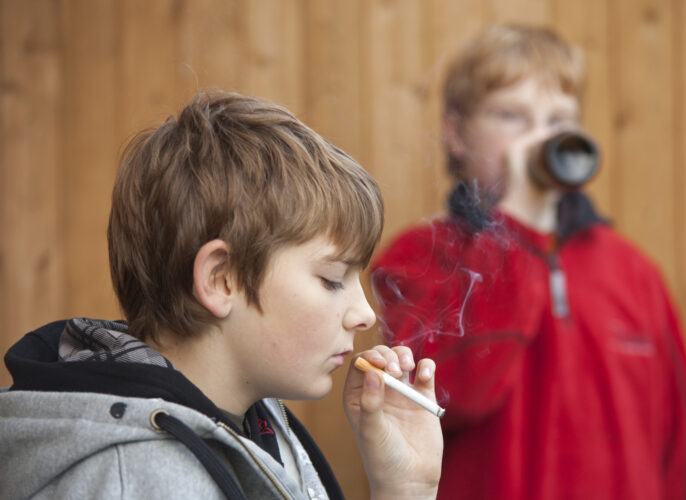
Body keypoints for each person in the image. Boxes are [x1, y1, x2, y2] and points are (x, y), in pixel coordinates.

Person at [0, 90, 442, 500]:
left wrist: (404, 488)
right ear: (221, 280)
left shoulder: (263, 425)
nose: (364, 314)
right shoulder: (139, 480)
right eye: (331, 279)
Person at [370, 24, 686, 500]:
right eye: (512, 116)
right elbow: (455, 396)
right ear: (455, 132)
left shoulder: (634, 272)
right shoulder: (418, 259)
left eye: (558, 120)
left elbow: (684, 452)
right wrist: (516, 226)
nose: (538, 138)